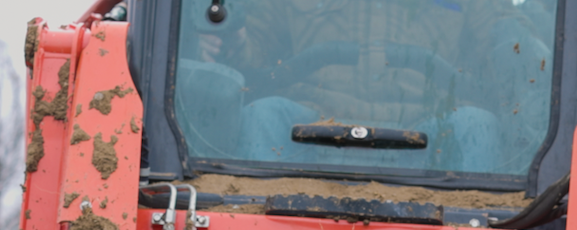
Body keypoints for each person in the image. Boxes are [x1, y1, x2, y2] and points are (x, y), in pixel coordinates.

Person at [185, 0, 554, 173]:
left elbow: (508, 37)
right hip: (309, 129)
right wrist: (234, 41)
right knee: (263, 115)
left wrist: (520, 47)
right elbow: (257, 52)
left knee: (475, 127)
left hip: (427, 130)